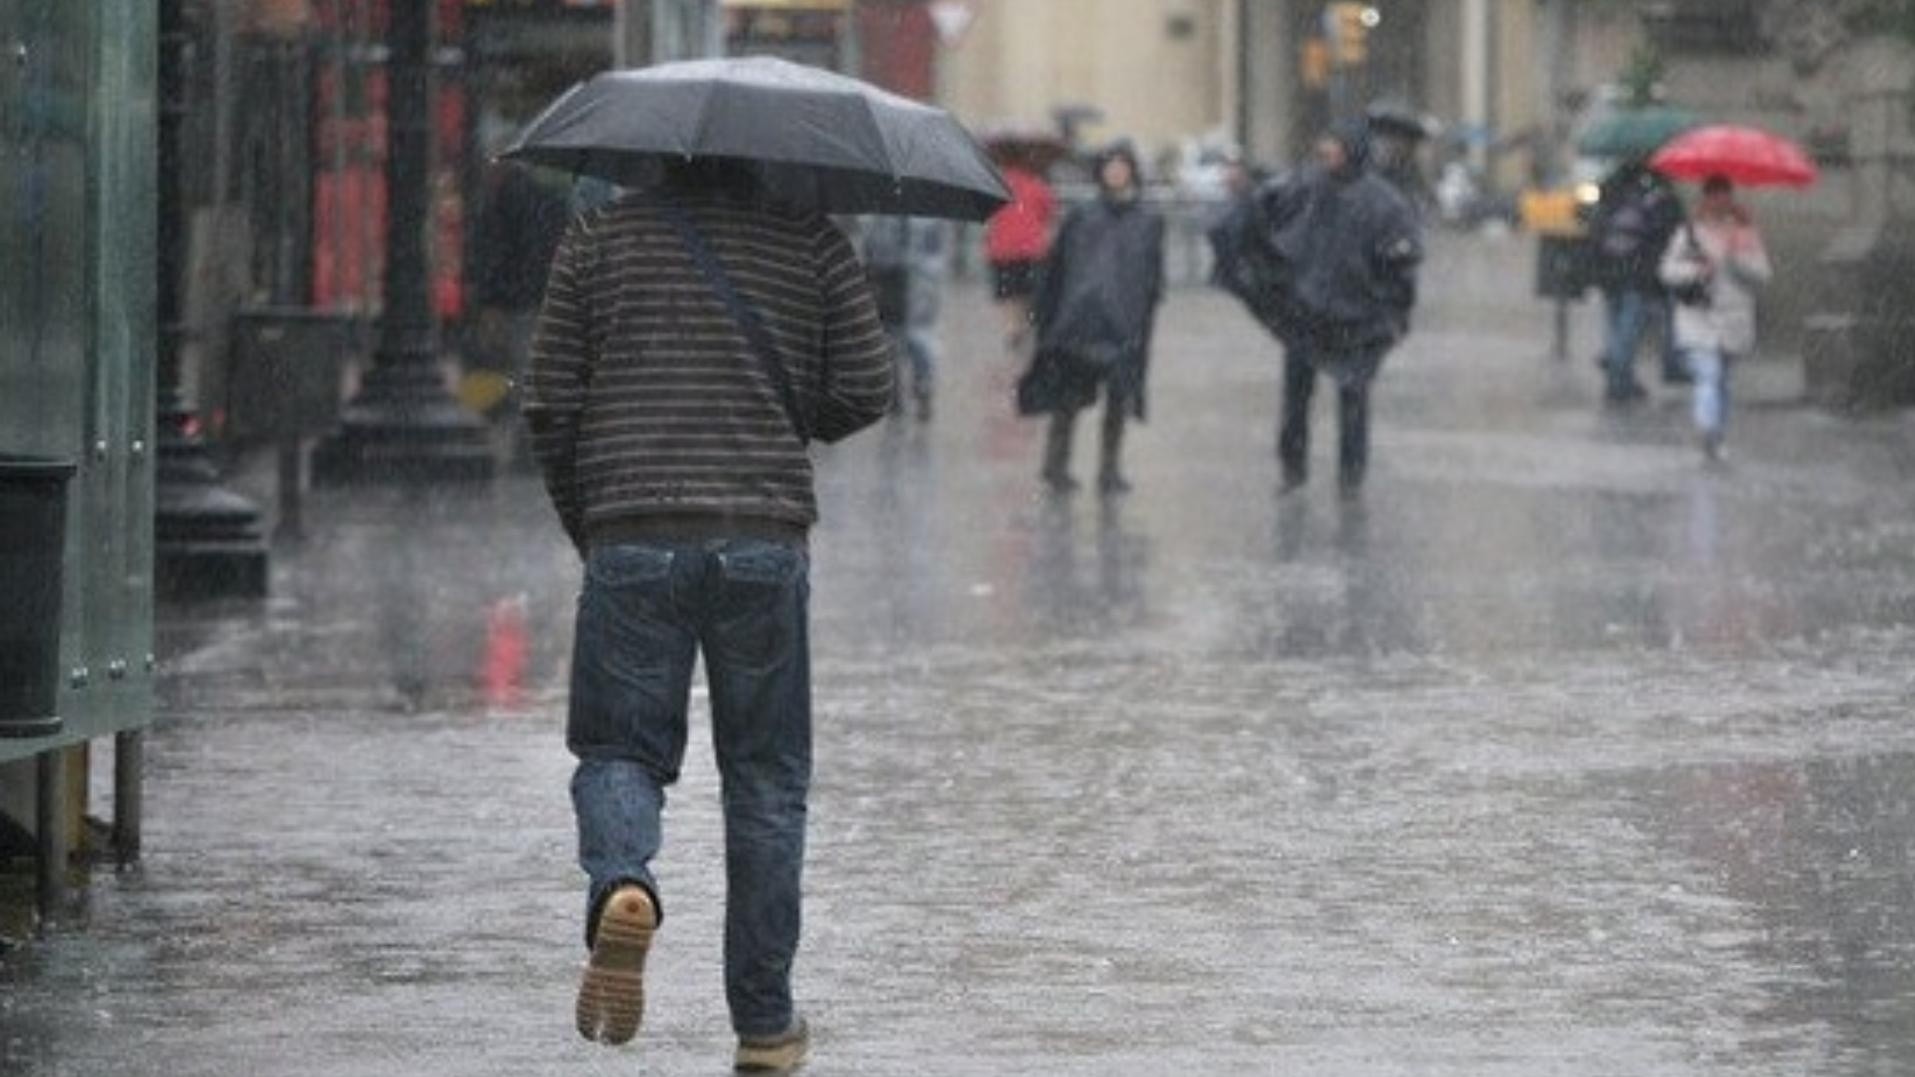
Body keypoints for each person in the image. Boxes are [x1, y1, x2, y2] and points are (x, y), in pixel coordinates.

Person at [523, 157, 894, 1074]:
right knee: (765, 779)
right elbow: (866, 389)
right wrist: (772, 406)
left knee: (618, 748)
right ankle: (765, 1023)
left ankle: (624, 882)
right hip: (762, 534)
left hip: (631, 528)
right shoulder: (812, 239)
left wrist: (594, 520)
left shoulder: (598, 239)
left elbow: (547, 400)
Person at [1265, 120, 1423, 496]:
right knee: (1295, 399)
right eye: (1324, 147)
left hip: (1356, 317)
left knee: (1353, 399)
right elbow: (1274, 229)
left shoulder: (1382, 201)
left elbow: (1402, 262)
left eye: (1333, 147)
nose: (1326, 155)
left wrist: (1395, 311)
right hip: (1305, 312)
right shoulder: (1306, 189)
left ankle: (1350, 477)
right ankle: (1293, 469)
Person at [1016, 141, 1165, 495]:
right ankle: (1055, 467)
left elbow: (1151, 275)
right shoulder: (1082, 217)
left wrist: (1142, 312)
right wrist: (1049, 314)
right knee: (1067, 399)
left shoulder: (1147, 221)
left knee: (1117, 399)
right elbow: (1058, 268)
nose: (1115, 172)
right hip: (1079, 321)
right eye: (1110, 165)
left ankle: (1109, 470)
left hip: (1123, 324)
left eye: (1122, 165)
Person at [1658, 173, 1772, 463]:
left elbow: (1763, 274)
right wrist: (1697, 271)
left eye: (1725, 197)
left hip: (1734, 317)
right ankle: (1707, 430)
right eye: (1714, 197)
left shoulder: (1745, 233)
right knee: (1708, 374)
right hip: (1699, 315)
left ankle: (1717, 433)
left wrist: (1735, 261)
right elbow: (1667, 271)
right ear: (1706, 199)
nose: (1719, 203)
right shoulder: (1689, 232)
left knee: (1722, 380)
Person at [1590, 161, 1686, 402]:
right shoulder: (1657, 197)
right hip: (1637, 273)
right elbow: (1669, 234)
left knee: (1615, 325)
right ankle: (1618, 379)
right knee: (1628, 329)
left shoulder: (1612, 193)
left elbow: (1592, 226)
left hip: (1608, 269)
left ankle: (1621, 375)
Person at [859, 214, 948, 421]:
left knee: (906, 338)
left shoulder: (880, 214)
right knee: (905, 338)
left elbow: (870, 251)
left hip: (909, 284)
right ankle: (911, 389)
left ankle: (912, 389)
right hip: (902, 283)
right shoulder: (927, 214)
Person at [984, 161, 1056, 350]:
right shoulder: (1039, 185)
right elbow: (1049, 213)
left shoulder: (997, 184)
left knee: (1006, 293)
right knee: (1026, 292)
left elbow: (988, 214)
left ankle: (1011, 330)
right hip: (1030, 249)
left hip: (1001, 248)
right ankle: (1022, 326)